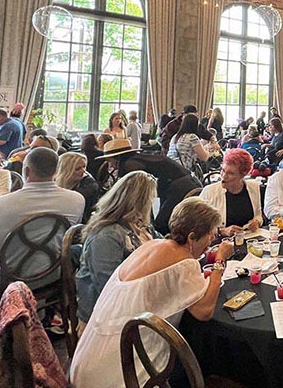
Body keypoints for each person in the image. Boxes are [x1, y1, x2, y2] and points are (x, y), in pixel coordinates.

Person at [70, 198, 232, 388]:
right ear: (192, 237)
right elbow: (204, 312)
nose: (211, 240)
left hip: (91, 357)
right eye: (210, 235)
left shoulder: (152, 244)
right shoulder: (185, 262)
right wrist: (220, 261)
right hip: (126, 367)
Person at [0, 148, 84, 296]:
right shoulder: (76, 200)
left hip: (3, 284)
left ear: (26, 171)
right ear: (56, 171)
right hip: (50, 275)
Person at [75, 171, 159, 327]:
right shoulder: (107, 236)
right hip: (104, 317)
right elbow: (108, 287)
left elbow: (162, 247)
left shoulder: (139, 224)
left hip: (134, 302)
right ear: (140, 202)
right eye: (150, 200)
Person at [97, 138, 199, 235]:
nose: (111, 166)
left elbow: (139, 196)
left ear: (117, 158)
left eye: (110, 161)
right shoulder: (138, 158)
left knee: (163, 224)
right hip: (186, 181)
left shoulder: (130, 165)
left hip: (180, 186)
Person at [200, 148, 262, 235]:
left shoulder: (254, 187)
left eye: (231, 173)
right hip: (219, 242)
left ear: (242, 175)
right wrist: (221, 231)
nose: (224, 176)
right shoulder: (209, 192)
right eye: (223, 170)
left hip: (247, 239)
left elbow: (258, 215)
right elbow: (198, 226)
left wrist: (257, 222)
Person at [54, 152, 100, 223]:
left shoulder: (89, 185)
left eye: (84, 167)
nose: (83, 171)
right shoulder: (54, 181)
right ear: (65, 170)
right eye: (78, 169)